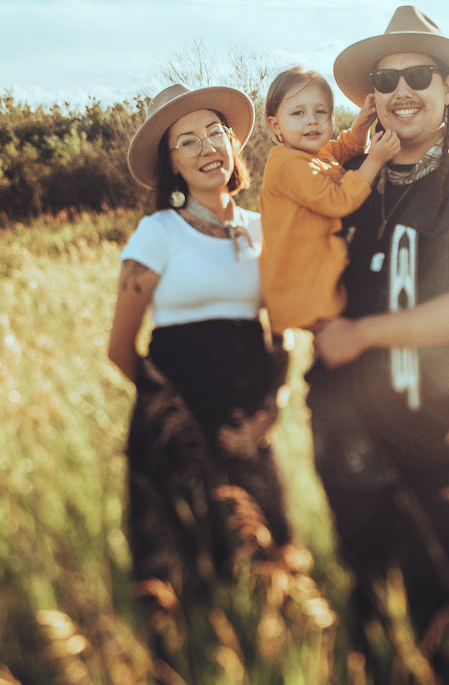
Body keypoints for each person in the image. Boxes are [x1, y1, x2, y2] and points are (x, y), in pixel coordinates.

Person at [308, 5, 449, 677]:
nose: (402, 90)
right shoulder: (342, 177)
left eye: (419, 76)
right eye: (386, 79)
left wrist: (363, 334)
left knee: (439, 600)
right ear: (372, 95)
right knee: (364, 597)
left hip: (430, 420)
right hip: (341, 422)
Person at [106, 82, 291, 612]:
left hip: (246, 430)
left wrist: (268, 414)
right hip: (175, 437)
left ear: (232, 143)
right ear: (172, 163)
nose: (207, 148)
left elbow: (282, 334)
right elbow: (120, 348)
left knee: (267, 572)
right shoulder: (157, 233)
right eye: (187, 141)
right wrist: (175, 418)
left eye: (215, 133)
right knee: (185, 583)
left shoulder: (264, 229)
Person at [258, 66, 401, 336]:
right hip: (300, 293)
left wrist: (361, 125)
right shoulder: (287, 165)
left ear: (331, 118)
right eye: (298, 113)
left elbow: (344, 149)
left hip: (317, 282)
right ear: (275, 125)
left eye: (320, 112)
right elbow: (338, 200)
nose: (311, 121)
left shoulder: (315, 154)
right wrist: (375, 159)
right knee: (320, 349)